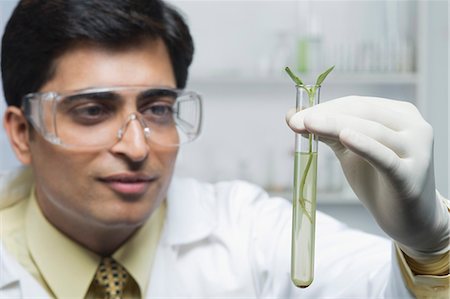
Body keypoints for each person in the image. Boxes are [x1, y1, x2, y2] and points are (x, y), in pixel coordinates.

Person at [0, 0, 448, 298]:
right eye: (94, 111)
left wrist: (429, 249)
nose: (137, 147)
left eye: (157, 109)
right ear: (22, 133)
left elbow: (374, 285)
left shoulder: (248, 228)